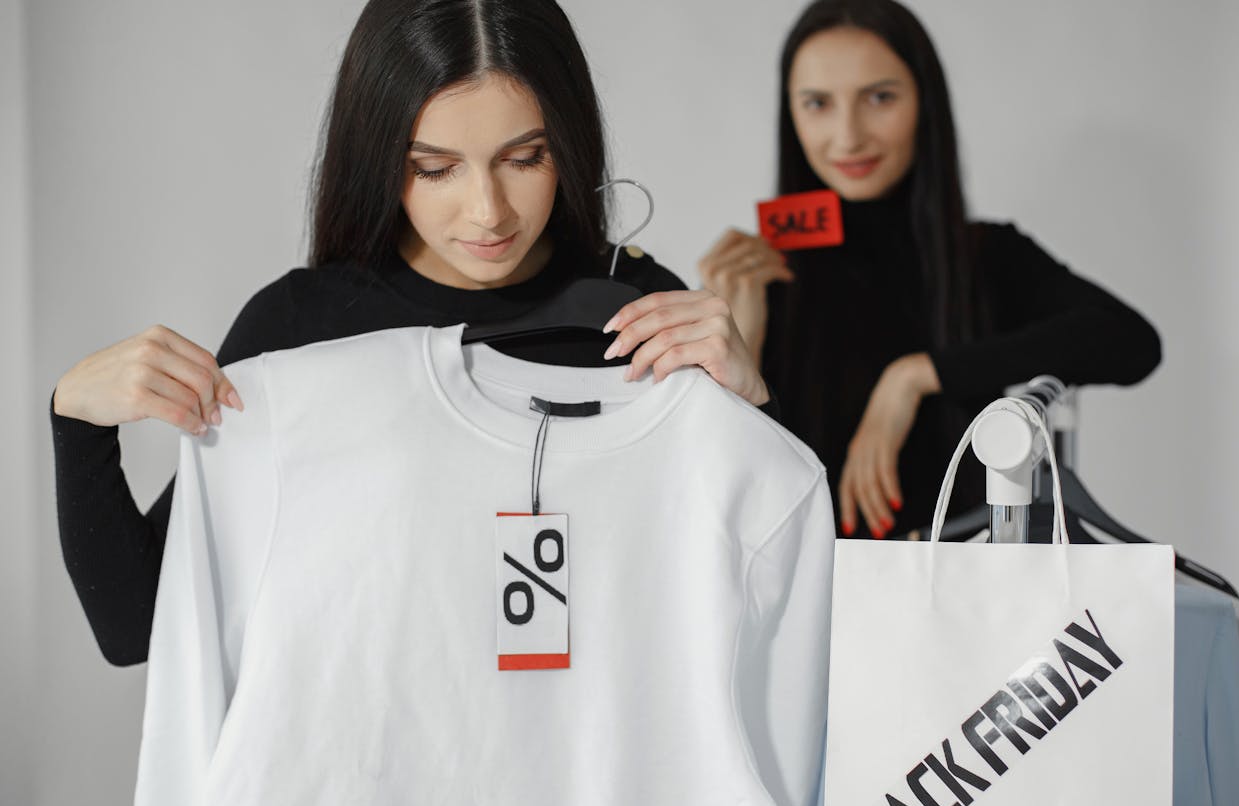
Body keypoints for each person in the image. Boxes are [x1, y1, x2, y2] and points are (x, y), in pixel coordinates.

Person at [51, 0, 771, 667]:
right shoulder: (303, 331)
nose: (488, 210)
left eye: (525, 159)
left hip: (598, 776)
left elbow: (765, 597)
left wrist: (753, 401)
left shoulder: (636, 313)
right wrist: (76, 419)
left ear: (572, 146)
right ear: (378, 160)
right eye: (435, 169)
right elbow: (136, 625)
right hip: (384, 786)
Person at [698, 0, 1161, 540]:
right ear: (791, 113)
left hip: (949, 593)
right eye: (818, 103)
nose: (848, 135)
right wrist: (740, 336)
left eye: (879, 97)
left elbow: (1131, 342)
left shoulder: (983, 255)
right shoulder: (758, 272)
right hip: (796, 595)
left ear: (924, 101)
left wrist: (915, 376)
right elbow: (716, 486)